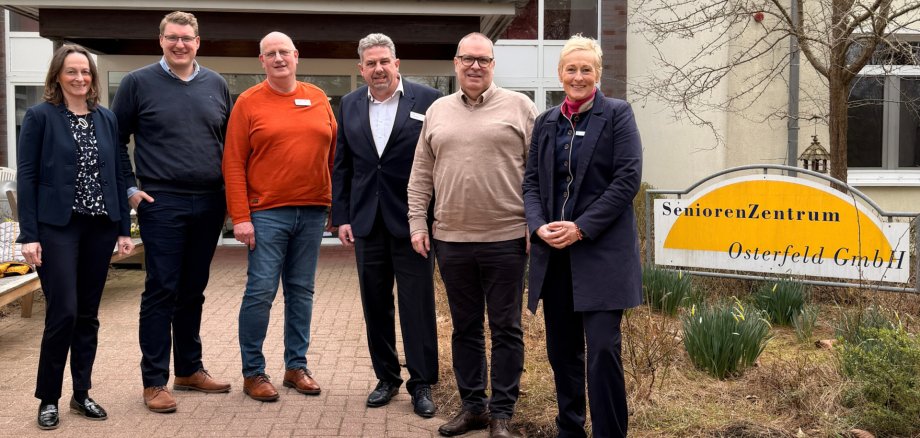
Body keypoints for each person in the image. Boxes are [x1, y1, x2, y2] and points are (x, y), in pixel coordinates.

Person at [407, 32, 536, 438]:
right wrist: (417, 222)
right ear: (456, 63)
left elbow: (538, 174)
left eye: (483, 59)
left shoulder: (521, 107)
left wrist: (534, 223)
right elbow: (420, 174)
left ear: (493, 64)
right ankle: (473, 407)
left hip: (507, 238)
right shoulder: (438, 111)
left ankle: (502, 414)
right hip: (452, 240)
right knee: (465, 328)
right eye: (468, 59)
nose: (475, 66)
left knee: (506, 328)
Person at [111, 11, 234, 413]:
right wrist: (130, 188)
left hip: (210, 201)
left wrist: (231, 197)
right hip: (162, 201)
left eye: (187, 38)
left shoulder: (216, 84)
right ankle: (154, 381)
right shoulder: (137, 83)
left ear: (198, 42)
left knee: (193, 290)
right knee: (162, 288)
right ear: (160, 40)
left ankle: (189, 370)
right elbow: (115, 140)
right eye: (172, 37)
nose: (180, 44)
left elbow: (229, 145)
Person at [522, 35, 643, 438]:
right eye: (571, 69)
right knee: (562, 352)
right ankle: (569, 429)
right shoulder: (546, 122)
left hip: (602, 253)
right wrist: (538, 225)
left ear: (598, 73)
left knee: (603, 350)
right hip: (555, 254)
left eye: (586, 69)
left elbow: (627, 180)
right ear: (560, 74)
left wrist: (581, 227)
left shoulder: (618, 114)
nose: (578, 76)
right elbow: (531, 183)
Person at [17, 44, 135, 430]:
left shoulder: (105, 118)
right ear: (57, 76)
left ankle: (81, 393)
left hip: (100, 227)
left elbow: (117, 172)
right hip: (58, 227)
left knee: (87, 314)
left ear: (92, 77)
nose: (79, 78)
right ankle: (48, 397)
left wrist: (123, 229)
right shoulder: (40, 116)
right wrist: (29, 235)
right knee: (63, 311)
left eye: (85, 72)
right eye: (71, 71)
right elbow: (28, 177)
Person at [332, 33, 442, 418]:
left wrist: (432, 217)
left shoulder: (428, 100)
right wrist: (342, 216)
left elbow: (439, 160)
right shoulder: (348, 104)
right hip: (366, 221)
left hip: (413, 222)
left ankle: (422, 383)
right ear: (360, 69)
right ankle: (387, 378)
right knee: (375, 305)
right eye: (370, 63)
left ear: (397, 64)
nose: (378, 69)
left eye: (384, 62)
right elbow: (342, 165)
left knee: (417, 305)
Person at [223, 31, 336, 402]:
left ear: (296, 55)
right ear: (262, 61)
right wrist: (240, 216)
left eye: (284, 52)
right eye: (270, 53)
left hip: (313, 211)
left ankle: (295, 367)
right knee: (260, 292)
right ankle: (253, 372)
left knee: (301, 291)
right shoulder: (248, 102)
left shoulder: (317, 97)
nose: (278, 58)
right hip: (267, 213)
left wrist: (335, 205)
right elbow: (233, 162)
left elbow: (333, 155)